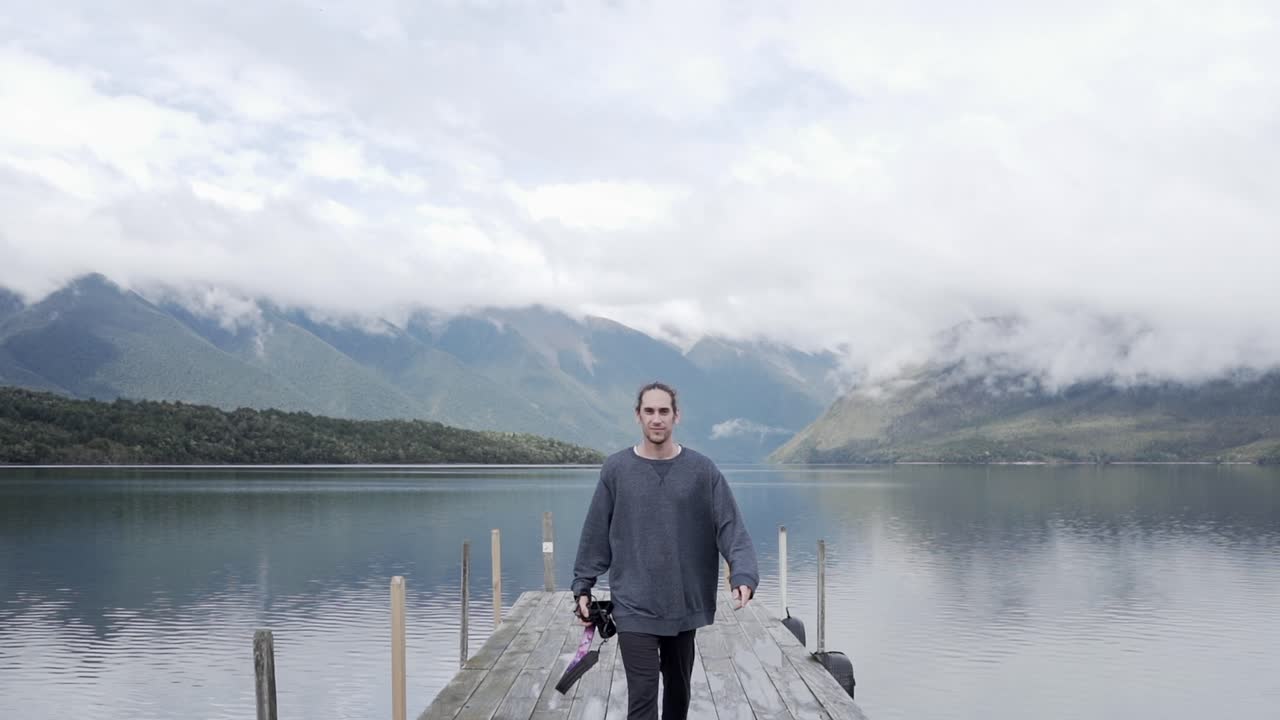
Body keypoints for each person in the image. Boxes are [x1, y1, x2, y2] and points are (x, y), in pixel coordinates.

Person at [572, 381, 759, 720]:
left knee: (678, 691)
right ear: (638, 416)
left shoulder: (702, 471)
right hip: (633, 603)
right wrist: (582, 584)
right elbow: (596, 531)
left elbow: (730, 526)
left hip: (683, 602)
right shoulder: (616, 469)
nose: (656, 419)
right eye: (649, 411)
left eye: (663, 411)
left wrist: (743, 573)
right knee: (642, 696)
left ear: (676, 416)